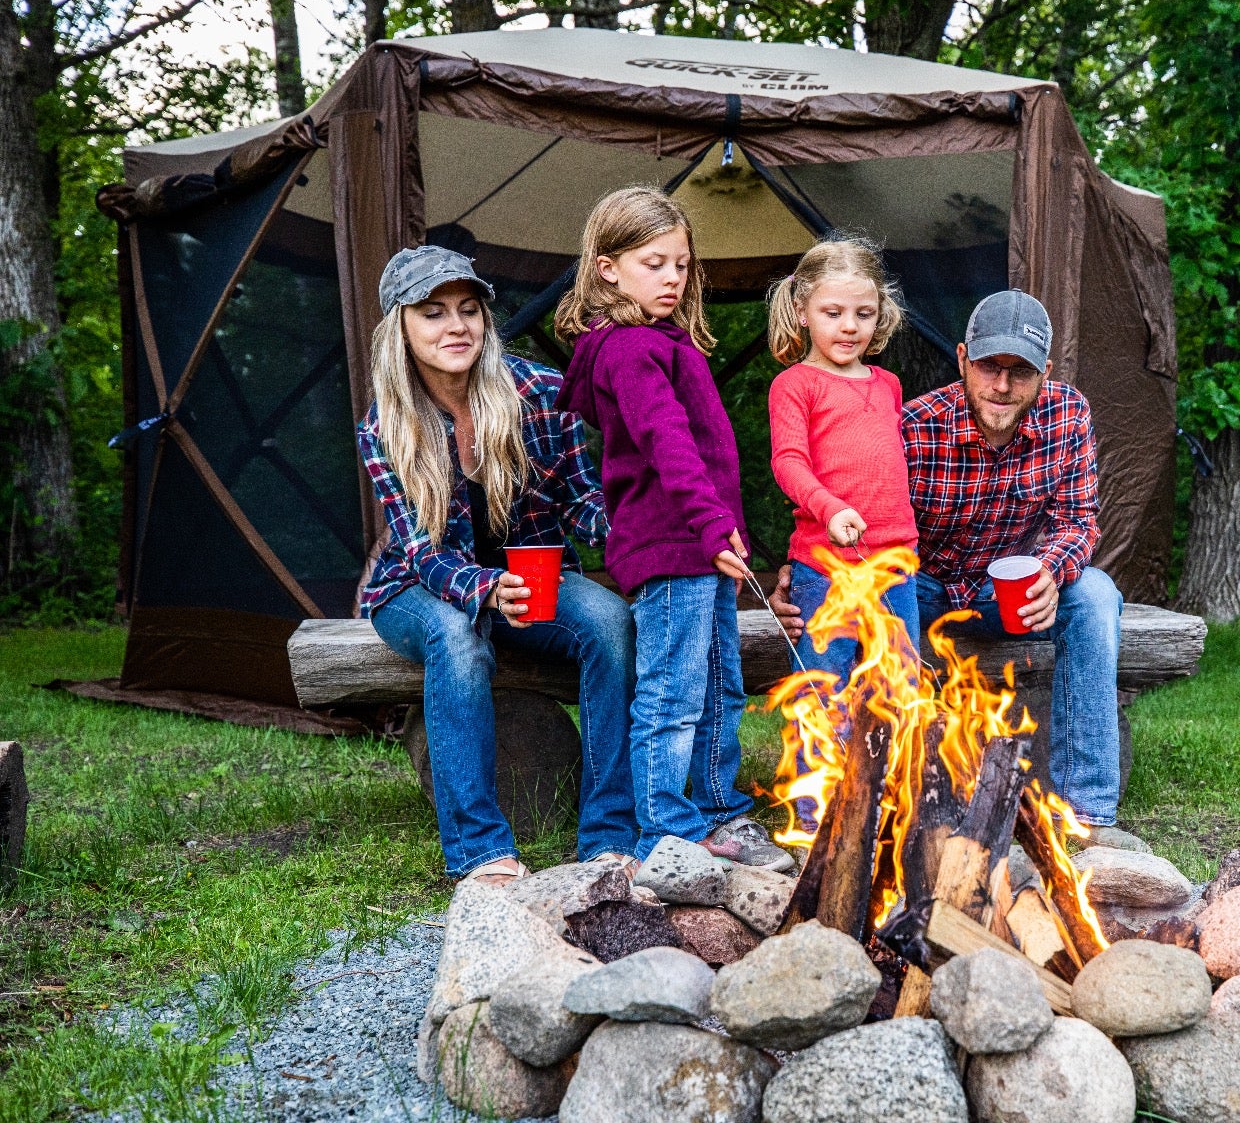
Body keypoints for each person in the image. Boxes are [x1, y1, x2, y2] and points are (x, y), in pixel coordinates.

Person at [773, 289, 1134, 844]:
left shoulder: (1068, 413)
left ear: (1046, 373)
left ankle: (1086, 811)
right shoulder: (915, 423)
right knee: (854, 608)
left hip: (1005, 596)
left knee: (1097, 593)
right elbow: (852, 497)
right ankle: (848, 799)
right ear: (963, 358)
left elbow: (1079, 519)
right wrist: (808, 575)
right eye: (990, 366)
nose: (1003, 385)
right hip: (922, 588)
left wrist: (1050, 572)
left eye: (1021, 371)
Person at [359, 245, 635, 886]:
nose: (456, 326)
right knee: (455, 638)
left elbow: (584, 503)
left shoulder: (539, 392)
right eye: (433, 312)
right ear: (400, 327)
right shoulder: (386, 423)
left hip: (529, 579)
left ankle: (607, 836)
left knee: (609, 620)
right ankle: (480, 850)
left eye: (468, 309)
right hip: (417, 589)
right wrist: (486, 589)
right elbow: (420, 551)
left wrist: (642, 533)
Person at [552, 186, 791, 871]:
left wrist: (725, 531)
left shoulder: (664, 342)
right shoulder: (628, 349)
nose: (671, 278)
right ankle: (665, 829)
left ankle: (719, 810)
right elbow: (667, 440)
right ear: (607, 268)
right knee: (672, 690)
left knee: (720, 684)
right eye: (654, 263)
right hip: (672, 546)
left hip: (704, 545)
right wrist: (714, 524)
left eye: (682, 265)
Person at [767, 237, 920, 684]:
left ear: (880, 313)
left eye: (864, 314)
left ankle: (887, 759)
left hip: (897, 563)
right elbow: (788, 461)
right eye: (832, 314)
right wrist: (829, 508)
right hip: (826, 566)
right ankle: (813, 759)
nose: (849, 326)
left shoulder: (888, 383)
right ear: (801, 310)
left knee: (896, 688)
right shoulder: (795, 384)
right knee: (822, 686)